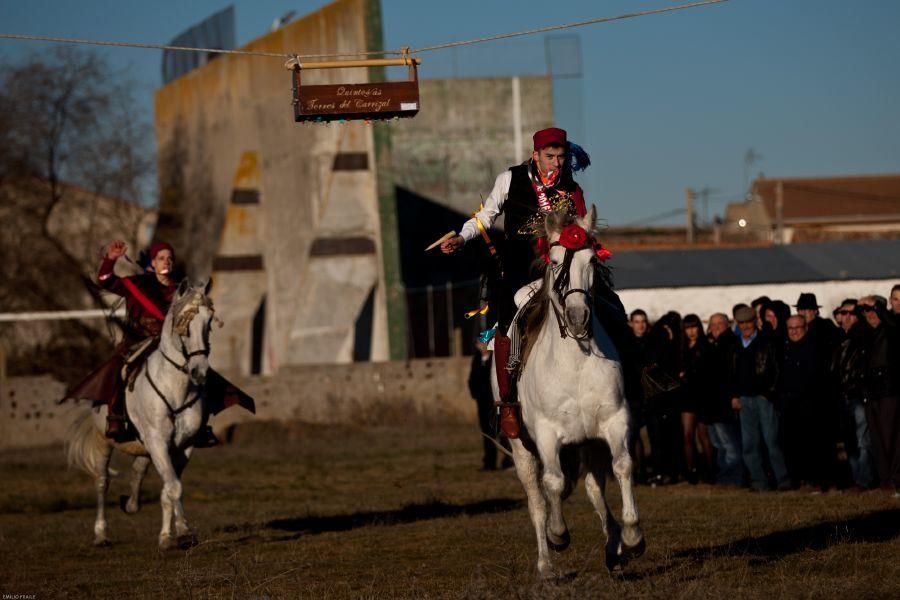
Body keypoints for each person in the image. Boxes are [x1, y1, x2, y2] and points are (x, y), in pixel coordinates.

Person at [441, 127, 626, 439]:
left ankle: (634, 378)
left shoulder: (572, 188)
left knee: (610, 304)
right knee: (505, 320)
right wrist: (462, 237)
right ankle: (509, 402)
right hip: (520, 267)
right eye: (549, 156)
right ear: (535, 155)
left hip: (563, 267)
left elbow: (582, 229)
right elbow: (485, 217)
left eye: (561, 157)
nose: (556, 162)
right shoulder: (510, 179)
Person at [65, 240, 252, 444]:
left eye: (170, 259)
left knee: (200, 372)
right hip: (138, 340)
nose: (167, 262)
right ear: (153, 263)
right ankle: (116, 418)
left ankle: (201, 426)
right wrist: (110, 260)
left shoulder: (181, 291)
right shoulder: (137, 284)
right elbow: (105, 280)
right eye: (161, 259)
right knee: (119, 368)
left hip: (170, 342)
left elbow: (193, 316)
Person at [729, 305, 790, 491]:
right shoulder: (735, 344)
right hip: (744, 399)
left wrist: (769, 393)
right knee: (749, 444)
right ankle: (758, 481)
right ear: (738, 324)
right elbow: (731, 373)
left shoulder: (767, 341)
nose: (746, 326)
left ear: (755, 322)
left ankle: (783, 480)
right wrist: (734, 395)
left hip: (764, 398)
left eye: (749, 322)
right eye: (742, 323)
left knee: (772, 442)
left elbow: (777, 370)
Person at [778, 315, 836, 490]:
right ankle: (801, 478)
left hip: (811, 405)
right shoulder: (784, 349)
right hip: (790, 405)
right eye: (790, 328)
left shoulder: (815, 349)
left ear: (806, 327)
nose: (794, 331)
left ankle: (819, 480)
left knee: (814, 445)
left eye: (798, 327)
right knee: (793, 444)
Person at [858, 295, 900, 494]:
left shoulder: (891, 329)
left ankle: (895, 477)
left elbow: (893, 326)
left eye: (874, 310)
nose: (870, 314)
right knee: (876, 437)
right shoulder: (864, 334)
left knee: (891, 436)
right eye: (866, 311)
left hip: (889, 390)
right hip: (871, 391)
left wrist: (878, 308)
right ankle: (885, 479)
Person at [706, 313, 743, 486]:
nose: (716, 327)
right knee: (719, 444)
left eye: (720, 324)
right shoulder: (715, 344)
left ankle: (734, 477)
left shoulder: (731, 344)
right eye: (712, 324)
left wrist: (735, 395)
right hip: (714, 404)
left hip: (724, 403)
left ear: (727, 325)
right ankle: (724, 476)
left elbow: (733, 373)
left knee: (729, 444)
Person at [679, 314, 714, 483]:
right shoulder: (682, 348)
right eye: (688, 328)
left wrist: (688, 374)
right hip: (687, 397)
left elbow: (707, 373)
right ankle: (691, 470)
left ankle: (710, 470)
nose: (691, 331)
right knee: (687, 435)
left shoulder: (706, 347)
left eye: (694, 327)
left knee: (703, 435)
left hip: (703, 395)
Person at [468, 339, 512, 470]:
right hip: (482, 403)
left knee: (502, 432)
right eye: (479, 343)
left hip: (496, 403)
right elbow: (472, 379)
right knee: (487, 433)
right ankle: (489, 463)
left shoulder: (496, 359)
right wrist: (475, 394)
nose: (481, 346)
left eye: (484, 343)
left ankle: (508, 461)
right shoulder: (476, 359)